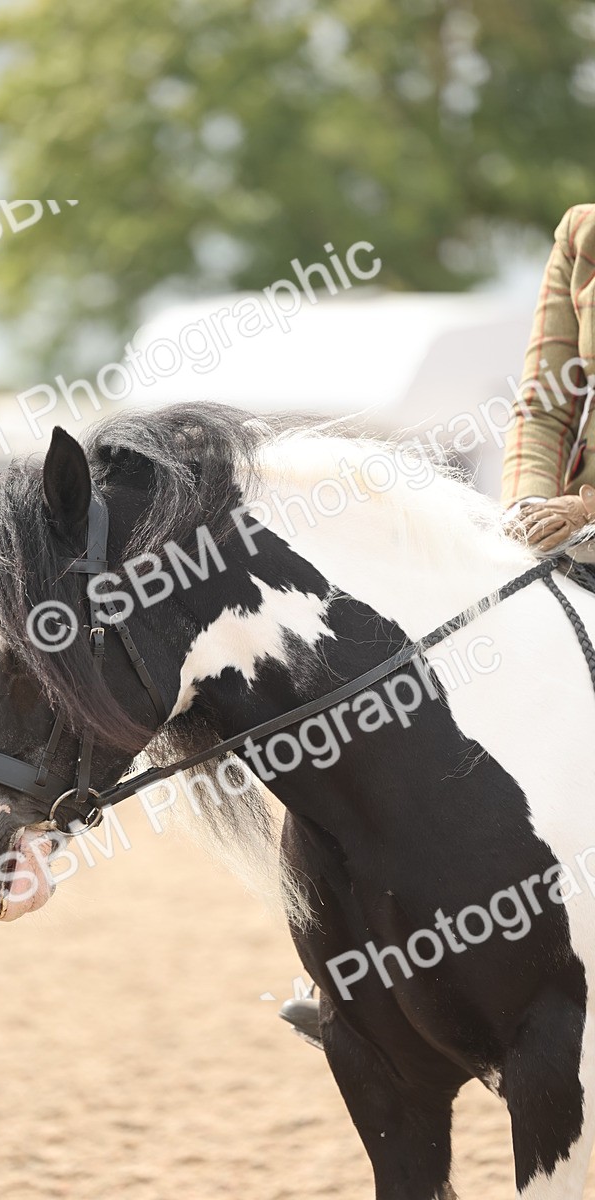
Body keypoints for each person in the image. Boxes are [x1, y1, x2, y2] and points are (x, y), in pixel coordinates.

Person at [278, 204, 595, 1049]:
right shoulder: (582, 234)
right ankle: (364, 961)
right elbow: (542, 400)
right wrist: (527, 498)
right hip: (563, 527)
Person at [502, 203, 595, 553]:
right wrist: (528, 505)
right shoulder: (583, 232)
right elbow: (543, 405)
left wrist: (587, 511)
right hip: (582, 545)